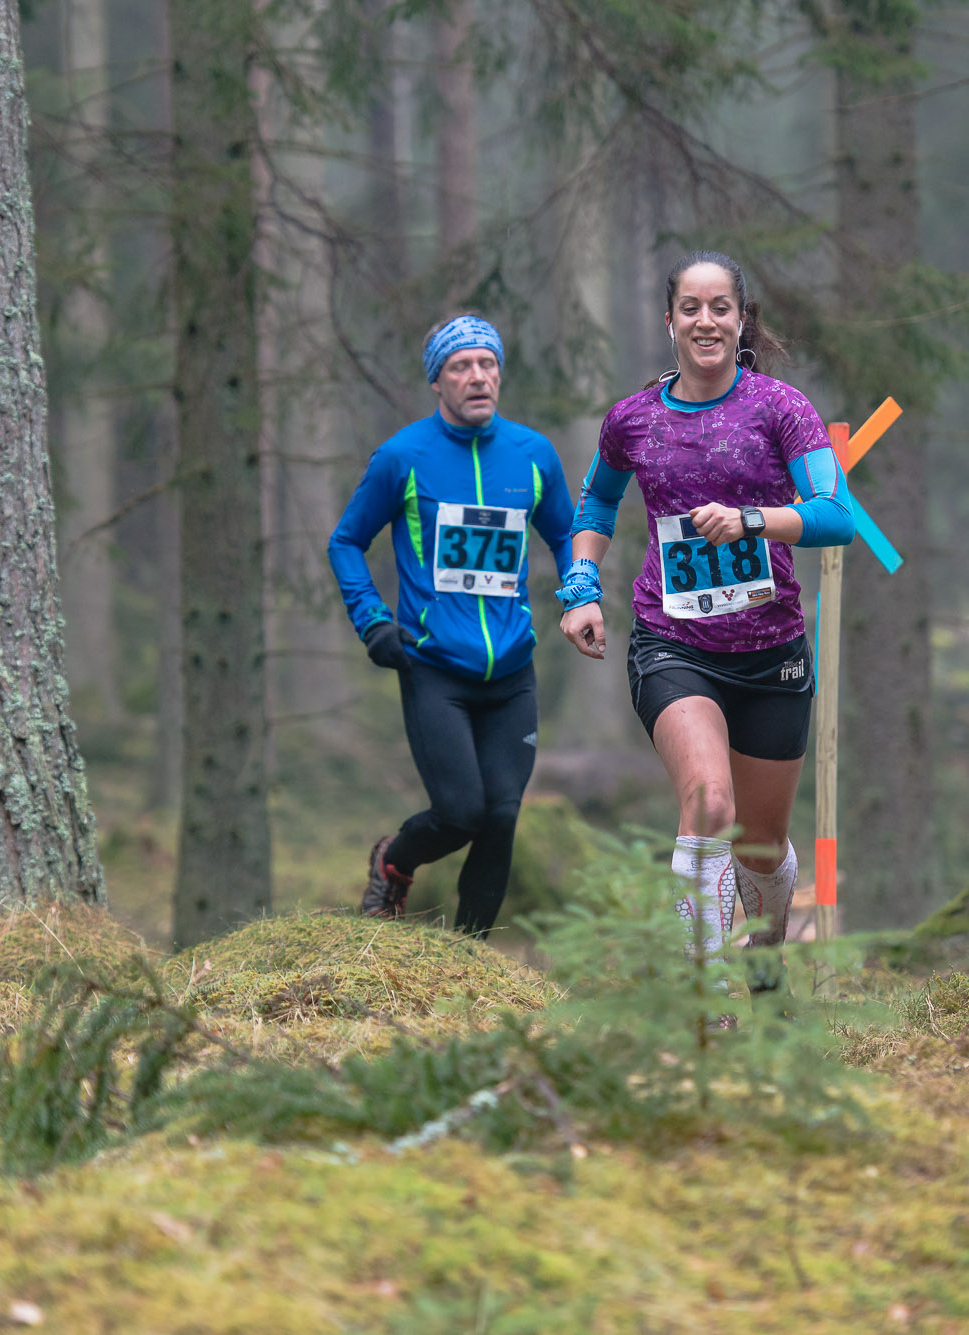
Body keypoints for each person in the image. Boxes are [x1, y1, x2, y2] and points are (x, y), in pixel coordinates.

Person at [556, 251, 854, 957]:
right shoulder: (632, 419)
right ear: (669, 322)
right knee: (707, 803)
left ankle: (766, 961)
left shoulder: (782, 408)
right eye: (690, 307)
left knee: (761, 847)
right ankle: (707, 996)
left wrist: (755, 518)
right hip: (673, 644)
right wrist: (581, 586)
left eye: (720, 306)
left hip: (772, 652)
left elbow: (835, 514)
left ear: (740, 318)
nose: (706, 320)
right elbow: (597, 499)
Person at [328, 314, 576, 935]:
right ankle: (394, 862)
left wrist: (579, 594)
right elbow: (345, 541)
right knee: (462, 812)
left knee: (502, 815)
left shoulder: (532, 454)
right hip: (435, 668)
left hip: (513, 671)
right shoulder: (403, 457)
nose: (478, 377)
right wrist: (373, 623)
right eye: (461, 367)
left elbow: (567, 534)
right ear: (437, 383)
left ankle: (468, 956)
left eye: (487, 364)